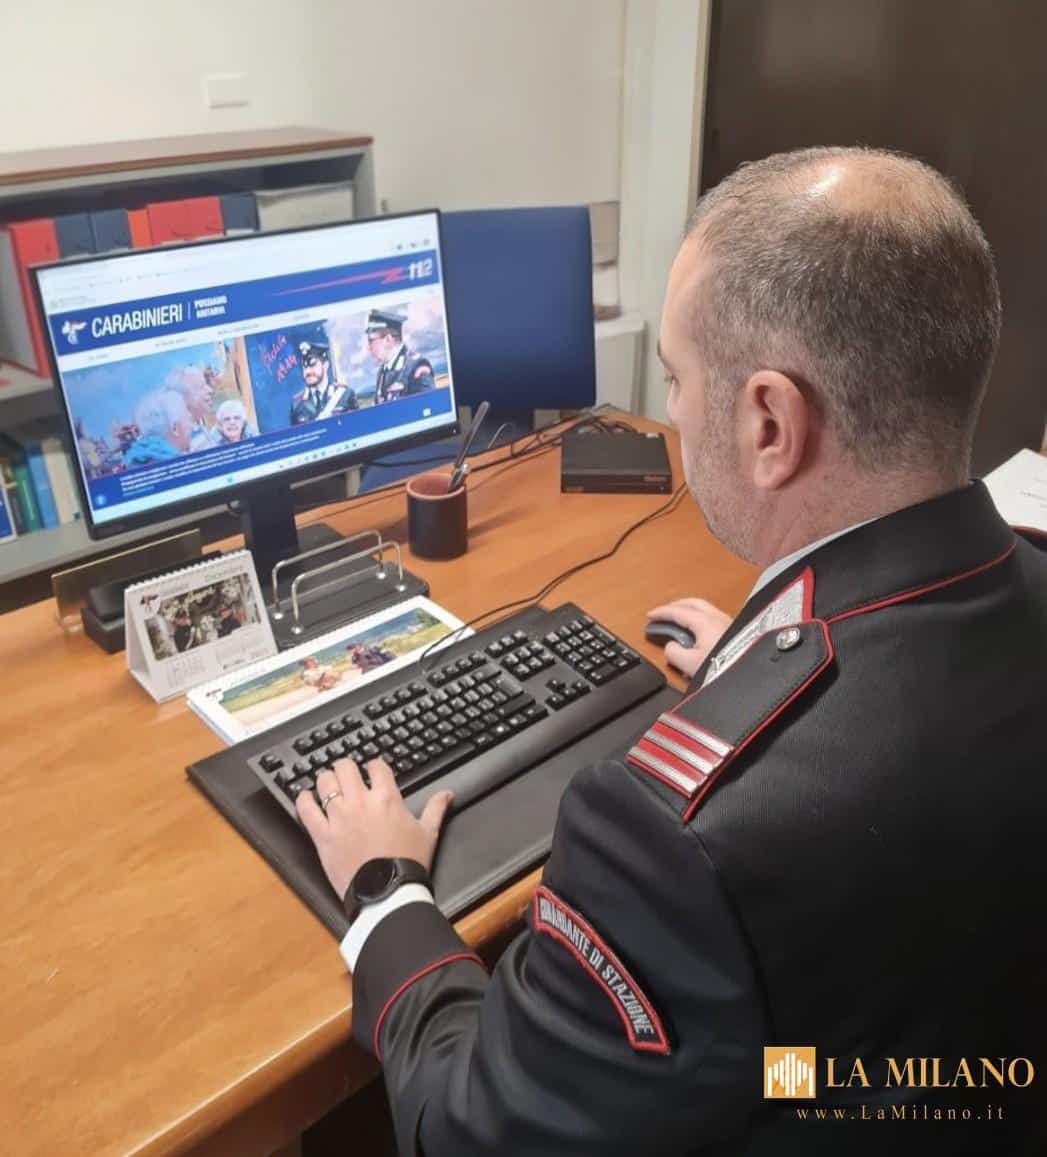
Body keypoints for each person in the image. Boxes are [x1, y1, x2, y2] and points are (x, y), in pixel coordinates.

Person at [295, 148, 1047, 1155]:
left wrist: (387, 895)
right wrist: (763, 664)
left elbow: (470, 1132)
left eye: (678, 379)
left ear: (770, 423)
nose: (675, 412)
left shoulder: (666, 839)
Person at [365, 309, 435, 404]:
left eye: (371, 341)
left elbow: (429, 404)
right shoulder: (382, 372)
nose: (368, 348)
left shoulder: (417, 366)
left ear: (388, 339)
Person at [290, 338, 357, 425]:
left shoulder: (345, 395)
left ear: (325, 365)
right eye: (304, 367)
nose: (308, 371)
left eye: (312, 365)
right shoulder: (296, 404)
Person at [123, 390, 194, 467]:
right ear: (175, 429)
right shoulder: (178, 467)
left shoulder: (133, 461)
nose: (191, 417)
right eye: (187, 417)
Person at [168, 366, 216, 451]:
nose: (210, 390)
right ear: (182, 396)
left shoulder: (198, 425)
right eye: (201, 387)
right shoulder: (182, 439)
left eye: (206, 384)